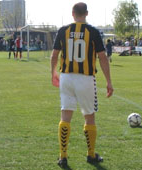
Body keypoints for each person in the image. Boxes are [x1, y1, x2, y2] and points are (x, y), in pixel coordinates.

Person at [50, 2, 113, 168]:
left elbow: (54, 55)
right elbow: (102, 57)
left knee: (65, 115)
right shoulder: (92, 32)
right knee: (89, 116)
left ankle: (63, 156)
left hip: (66, 77)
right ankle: (91, 155)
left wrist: (53, 73)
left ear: (72, 13)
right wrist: (108, 81)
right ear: (87, 13)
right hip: (85, 78)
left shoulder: (63, 31)